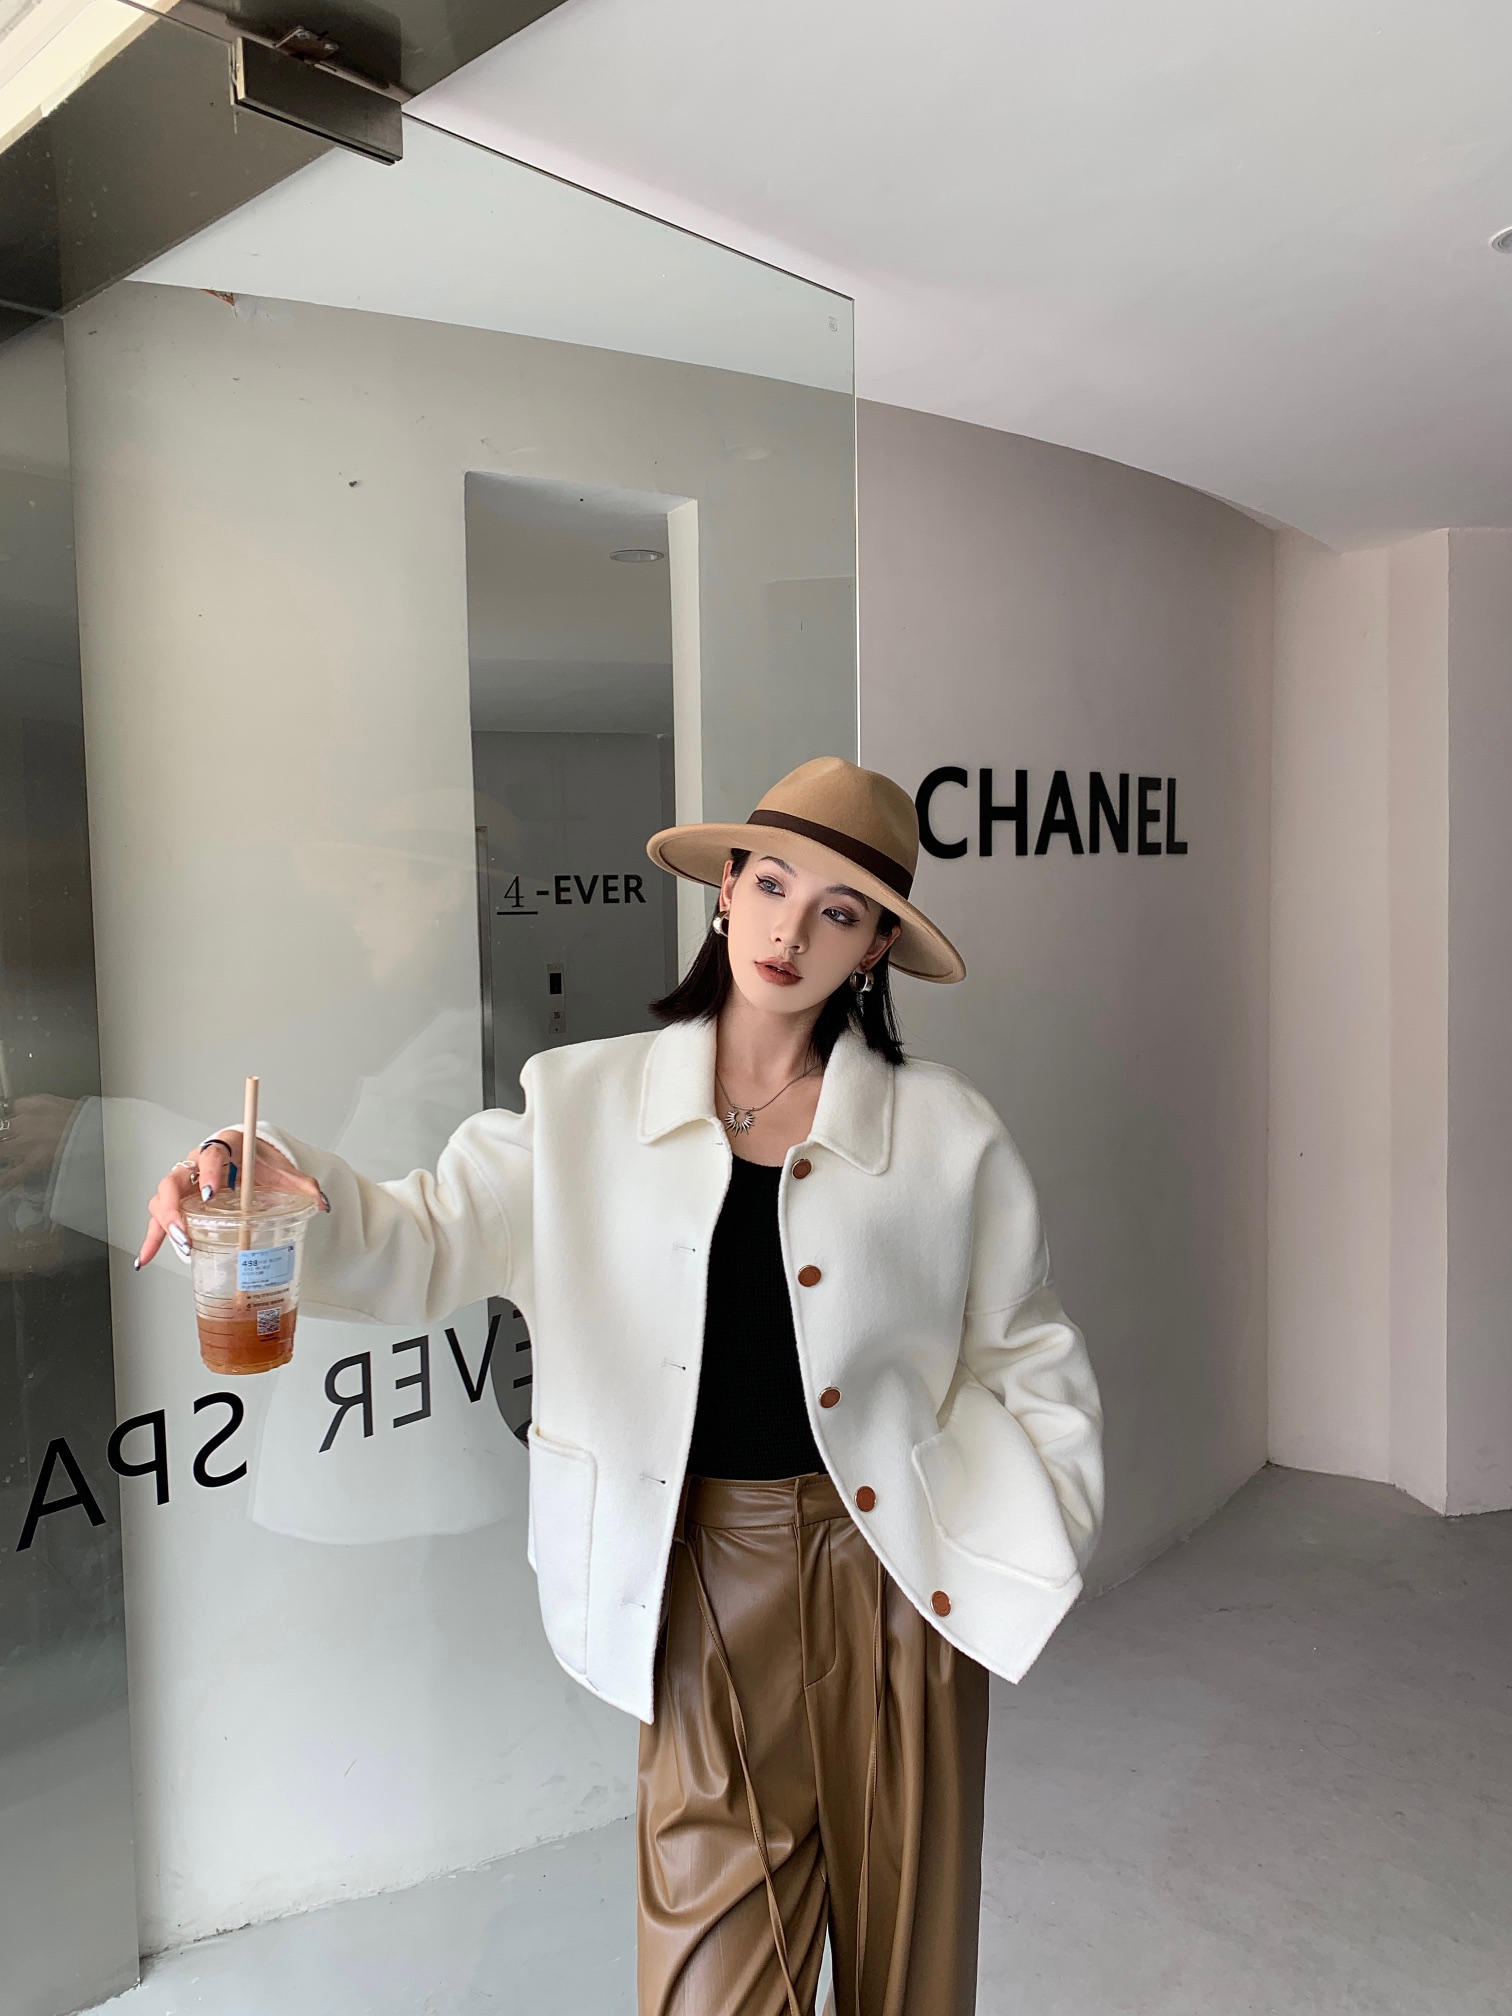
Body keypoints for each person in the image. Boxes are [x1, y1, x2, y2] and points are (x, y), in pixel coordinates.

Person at [138, 756, 1104, 2016]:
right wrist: (258, 1183)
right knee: (711, 1985)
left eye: (838, 911)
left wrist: (1044, 1528)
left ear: (874, 948)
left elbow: (1024, 1345)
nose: (790, 932)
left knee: (910, 1979)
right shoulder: (582, 1103)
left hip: (895, 1577)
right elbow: (419, 1235)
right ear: (726, 890)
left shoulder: (945, 1131)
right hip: (700, 1579)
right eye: (773, 885)